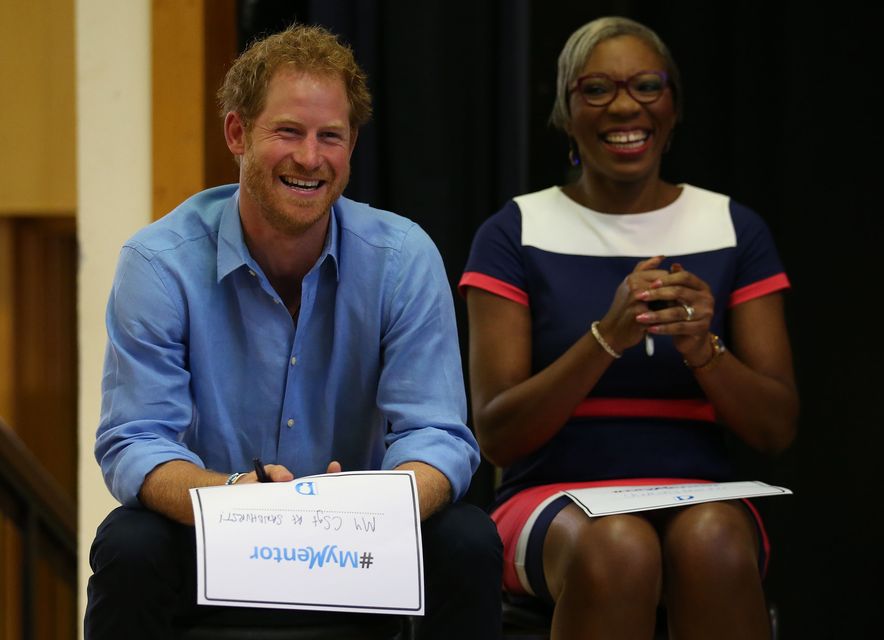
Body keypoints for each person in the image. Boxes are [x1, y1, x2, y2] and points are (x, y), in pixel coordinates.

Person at [86, 24, 502, 640]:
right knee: (130, 543)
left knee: (467, 539)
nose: (310, 158)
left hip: (359, 548)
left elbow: (438, 436)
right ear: (237, 134)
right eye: (288, 131)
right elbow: (137, 442)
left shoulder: (402, 257)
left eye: (329, 136)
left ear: (351, 145)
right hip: (215, 532)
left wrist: (370, 507)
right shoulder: (159, 262)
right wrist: (238, 500)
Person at [460, 16, 798, 640]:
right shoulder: (514, 232)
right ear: (566, 110)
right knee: (617, 545)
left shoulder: (732, 228)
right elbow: (498, 435)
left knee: (714, 538)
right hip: (551, 497)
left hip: (701, 495)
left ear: (672, 107)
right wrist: (605, 338)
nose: (624, 106)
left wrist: (705, 350)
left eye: (647, 85)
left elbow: (775, 428)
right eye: (596, 89)